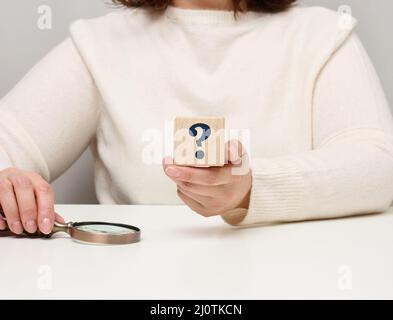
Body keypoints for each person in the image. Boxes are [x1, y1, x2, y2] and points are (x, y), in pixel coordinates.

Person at [0, 0, 392, 235]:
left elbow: (379, 167)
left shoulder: (321, 34)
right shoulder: (100, 45)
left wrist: (250, 188)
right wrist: (8, 184)